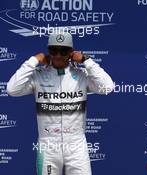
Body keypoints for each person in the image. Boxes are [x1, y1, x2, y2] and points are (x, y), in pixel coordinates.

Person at [7, 32, 114, 175]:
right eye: (53, 50)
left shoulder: (82, 76)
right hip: (48, 146)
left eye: (63, 51)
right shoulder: (38, 76)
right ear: (48, 51)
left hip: (76, 146)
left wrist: (86, 60)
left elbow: (108, 87)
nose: (58, 55)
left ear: (71, 52)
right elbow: (12, 89)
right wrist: (33, 60)